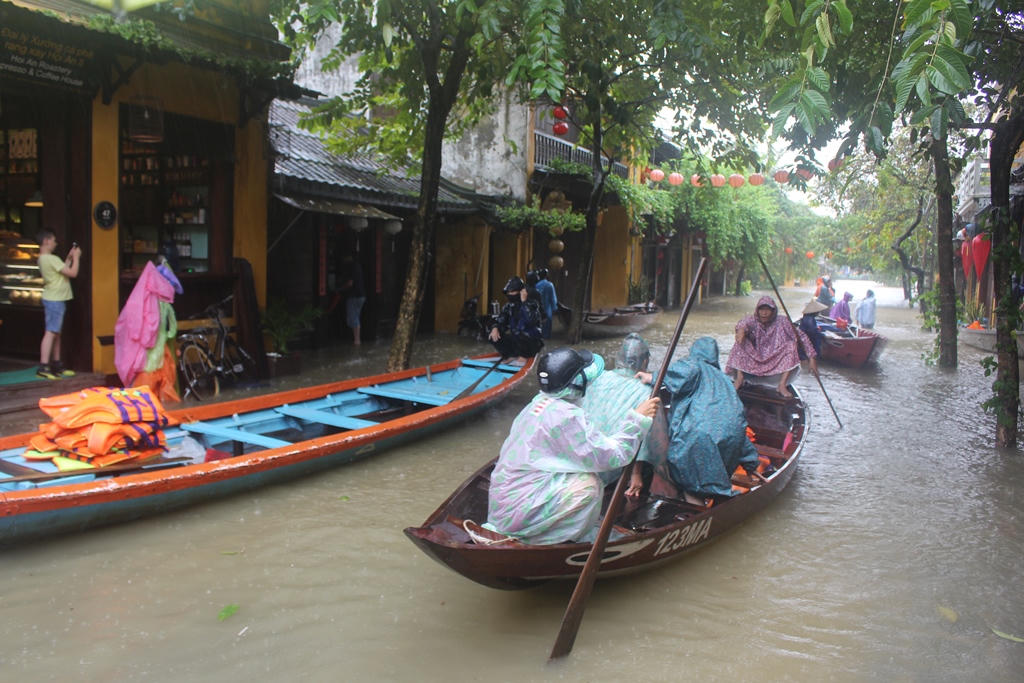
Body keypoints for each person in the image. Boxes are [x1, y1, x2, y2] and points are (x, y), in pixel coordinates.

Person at [484, 347, 660, 544]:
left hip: (503, 506)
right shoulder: (565, 416)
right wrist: (637, 419)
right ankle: (548, 540)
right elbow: (613, 456)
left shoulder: (538, 403)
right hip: (519, 512)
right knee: (590, 485)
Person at [660, 337, 761, 499]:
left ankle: (696, 505)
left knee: (690, 485)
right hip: (729, 440)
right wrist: (751, 463)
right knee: (709, 478)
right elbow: (738, 427)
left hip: (697, 439)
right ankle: (715, 498)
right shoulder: (726, 381)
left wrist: (653, 378)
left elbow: (679, 374)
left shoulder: (693, 366)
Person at [583, 333, 669, 496]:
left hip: (586, 457)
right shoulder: (645, 392)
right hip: (616, 463)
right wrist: (636, 474)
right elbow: (647, 437)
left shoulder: (598, 379)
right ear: (644, 361)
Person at [725, 295, 818, 398]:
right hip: (755, 359)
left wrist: (812, 359)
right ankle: (739, 378)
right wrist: (741, 330)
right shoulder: (752, 320)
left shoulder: (783, 321)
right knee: (740, 343)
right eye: (761, 309)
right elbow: (743, 323)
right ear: (757, 310)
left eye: (767, 310)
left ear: (773, 311)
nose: (764, 313)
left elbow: (801, 336)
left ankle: (781, 385)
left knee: (791, 346)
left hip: (774, 359)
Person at [36, 230, 81, 380]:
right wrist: (76, 258)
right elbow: (73, 273)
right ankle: (44, 366)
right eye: (54, 240)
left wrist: (68, 258)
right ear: (47, 241)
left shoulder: (43, 259)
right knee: (51, 332)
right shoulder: (51, 258)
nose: (55, 243)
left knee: (56, 333)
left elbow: (62, 271)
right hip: (55, 299)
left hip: (53, 297)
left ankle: (56, 364)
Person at [487, 275, 543, 361]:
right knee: (492, 334)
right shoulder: (508, 306)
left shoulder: (532, 304)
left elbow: (531, 320)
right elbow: (501, 320)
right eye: (508, 293)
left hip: (530, 342)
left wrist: (524, 302)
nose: (510, 295)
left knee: (521, 332)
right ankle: (510, 355)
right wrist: (495, 327)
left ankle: (524, 356)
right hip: (517, 340)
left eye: (512, 292)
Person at [337, 253, 365, 344]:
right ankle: (356, 339)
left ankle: (357, 340)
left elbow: (350, 283)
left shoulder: (352, 267)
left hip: (354, 296)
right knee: (355, 317)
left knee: (353, 318)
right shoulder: (358, 266)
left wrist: (341, 288)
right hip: (361, 296)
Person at [534, 267, 558, 339]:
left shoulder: (536, 285)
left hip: (537, 308)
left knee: (538, 322)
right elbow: (553, 298)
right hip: (547, 308)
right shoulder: (549, 285)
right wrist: (555, 308)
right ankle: (546, 337)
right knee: (547, 323)